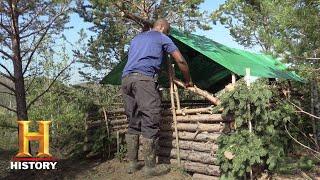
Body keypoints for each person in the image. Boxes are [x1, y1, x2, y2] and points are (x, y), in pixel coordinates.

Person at [121, 18, 193, 177]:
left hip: (126, 80)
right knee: (150, 119)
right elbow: (180, 59)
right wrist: (188, 80)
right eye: (167, 31)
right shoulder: (161, 37)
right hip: (144, 81)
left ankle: (132, 164)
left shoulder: (137, 38)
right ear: (161, 27)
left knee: (133, 121)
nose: (167, 34)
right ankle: (150, 167)